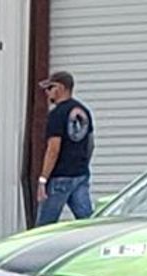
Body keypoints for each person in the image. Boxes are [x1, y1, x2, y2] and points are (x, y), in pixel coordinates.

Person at [35, 70, 95, 225]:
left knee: (44, 227)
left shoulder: (57, 114)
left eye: (50, 88)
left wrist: (43, 179)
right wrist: (82, 164)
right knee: (87, 222)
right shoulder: (84, 112)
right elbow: (90, 144)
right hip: (80, 175)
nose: (47, 93)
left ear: (60, 88)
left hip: (59, 178)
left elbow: (53, 149)